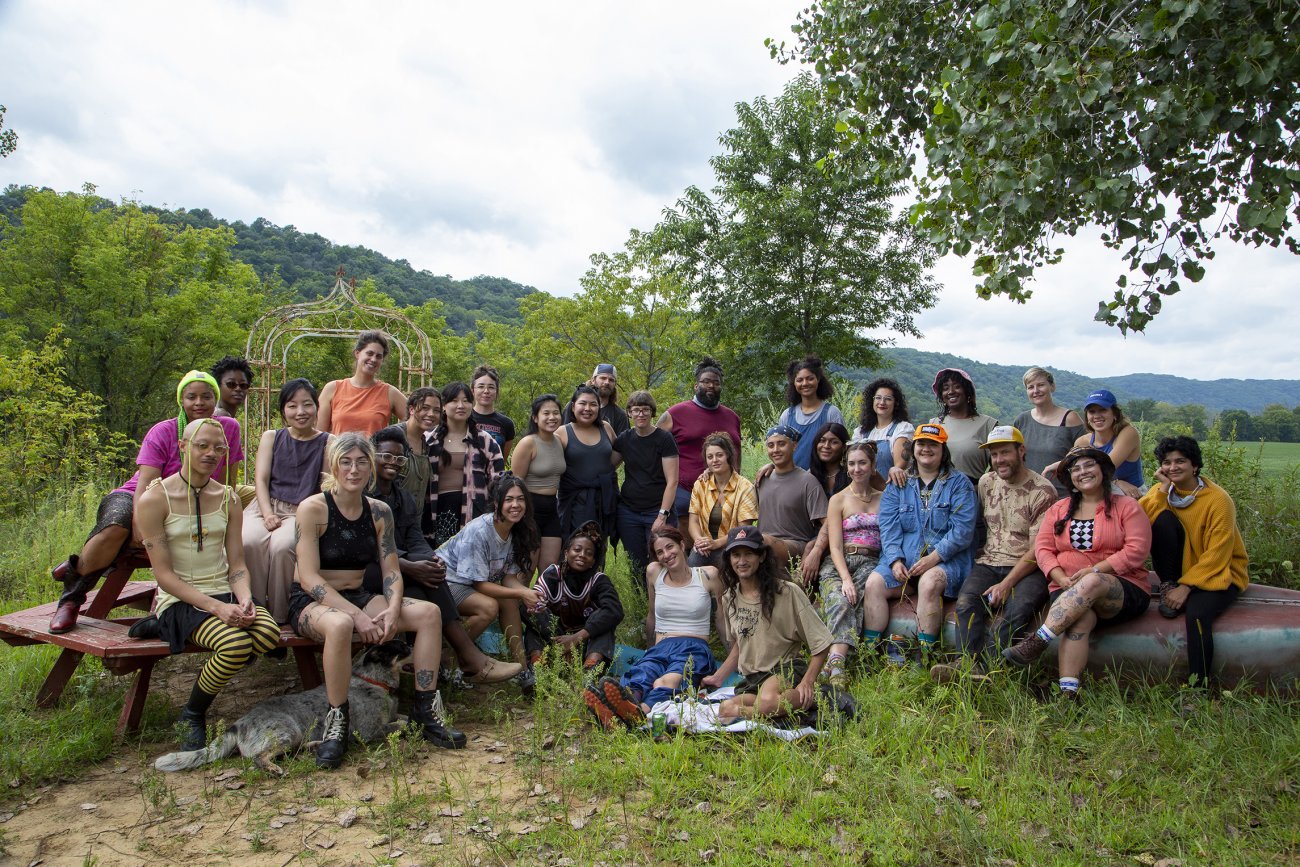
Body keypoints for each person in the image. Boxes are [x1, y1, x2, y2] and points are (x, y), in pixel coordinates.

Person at [291, 433, 465, 767]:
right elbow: (309, 576)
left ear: (370, 466)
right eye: (346, 461)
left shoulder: (379, 512)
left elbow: (391, 571)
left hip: (358, 594)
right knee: (341, 624)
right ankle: (336, 723)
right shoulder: (313, 508)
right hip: (313, 600)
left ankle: (426, 710)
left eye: (361, 462)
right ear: (334, 465)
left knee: (428, 614)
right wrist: (357, 616)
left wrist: (393, 607)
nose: (353, 470)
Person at [49, 371, 244, 634]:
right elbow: (145, 484)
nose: (199, 402)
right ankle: (71, 599)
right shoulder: (163, 431)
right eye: (191, 397)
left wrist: (223, 512)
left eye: (206, 396)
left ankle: (77, 564)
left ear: (215, 399)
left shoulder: (227, 428)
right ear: (181, 401)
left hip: (185, 502)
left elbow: (226, 477)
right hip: (138, 495)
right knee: (118, 529)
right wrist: (139, 524)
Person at [140, 418, 279, 750]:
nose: (211, 453)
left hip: (225, 592)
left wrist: (244, 597)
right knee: (235, 646)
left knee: (269, 634)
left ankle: (226, 651)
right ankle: (192, 713)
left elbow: (237, 564)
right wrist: (218, 608)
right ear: (183, 446)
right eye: (202, 445)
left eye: (219, 448)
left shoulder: (229, 498)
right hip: (180, 600)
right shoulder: (154, 499)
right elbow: (164, 576)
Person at [364, 427, 521, 685]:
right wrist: (408, 565)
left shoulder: (403, 497)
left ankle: (446, 662)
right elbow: (369, 547)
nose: (393, 463)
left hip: (397, 566)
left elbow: (415, 536)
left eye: (400, 459)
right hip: (370, 571)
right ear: (373, 456)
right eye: (387, 457)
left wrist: (430, 559)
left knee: (433, 576)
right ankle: (468, 660)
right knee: (424, 583)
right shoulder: (365, 497)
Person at [1003, 447, 1153, 701]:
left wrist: (1096, 570)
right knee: (1080, 620)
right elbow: (1043, 548)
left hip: (1121, 588)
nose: (1083, 472)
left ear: (1103, 471)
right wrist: (1059, 576)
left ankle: (1038, 641)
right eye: (1076, 469)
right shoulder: (1059, 509)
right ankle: (1069, 694)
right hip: (1068, 587)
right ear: (1070, 478)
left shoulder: (1127, 506)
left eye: (1088, 465)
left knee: (1093, 581)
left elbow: (1136, 550)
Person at [930, 426, 1057, 683]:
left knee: (1017, 610)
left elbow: (1038, 549)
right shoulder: (986, 483)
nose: (999, 460)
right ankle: (965, 661)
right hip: (990, 561)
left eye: (1004, 453)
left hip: (1029, 566)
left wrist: (1006, 584)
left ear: (1021, 451)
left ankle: (987, 669)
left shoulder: (1042, 491)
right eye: (994, 454)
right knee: (966, 603)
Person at [582, 528, 726, 729]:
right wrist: (649, 652)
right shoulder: (654, 572)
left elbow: (721, 619)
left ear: (682, 545)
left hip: (694, 648)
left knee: (667, 682)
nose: (666, 555)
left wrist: (732, 658)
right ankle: (623, 708)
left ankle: (637, 712)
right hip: (661, 646)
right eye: (660, 552)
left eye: (670, 547)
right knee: (640, 676)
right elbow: (652, 617)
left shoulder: (707, 575)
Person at [1140, 436, 1249, 689]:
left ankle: (1198, 688)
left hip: (1220, 571)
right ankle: (1167, 583)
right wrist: (1162, 489)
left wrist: (1187, 587)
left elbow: (1218, 554)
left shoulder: (1218, 500)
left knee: (1197, 614)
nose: (1173, 467)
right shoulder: (1165, 493)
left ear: (1195, 465)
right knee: (1163, 520)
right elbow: (1140, 519)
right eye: (1166, 463)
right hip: (1180, 571)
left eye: (1181, 461)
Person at [865, 423, 977, 661]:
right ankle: (869, 652)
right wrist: (895, 560)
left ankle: (924, 655)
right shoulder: (898, 484)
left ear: (943, 449)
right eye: (921, 444)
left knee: (929, 582)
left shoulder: (960, 484)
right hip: (904, 560)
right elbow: (889, 526)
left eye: (933, 445)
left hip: (945, 562)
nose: (926, 449)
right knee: (874, 583)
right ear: (913, 448)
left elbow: (962, 531)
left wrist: (933, 559)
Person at [701, 527, 834, 723]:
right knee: (725, 708)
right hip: (753, 679)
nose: (742, 561)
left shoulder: (788, 592)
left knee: (767, 701)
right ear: (729, 559)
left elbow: (821, 643)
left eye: (749, 554)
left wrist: (807, 682)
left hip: (785, 669)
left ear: (762, 556)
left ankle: (817, 696)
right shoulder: (730, 597)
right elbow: (741, 643)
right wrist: (718, 677)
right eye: (736, 555)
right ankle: (767, 709)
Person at [436, 475, 541, 680]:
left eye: (520, 499)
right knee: (488, 607)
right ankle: (448, 657)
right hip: (445, 582)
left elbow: (509, 577)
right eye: (509, 499)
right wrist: (521, 592)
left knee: (509, 601)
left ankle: (521, 668)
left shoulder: (515, 530)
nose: (515, 505)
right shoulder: (480, 530)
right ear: (497, 502)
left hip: (468, 584)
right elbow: (480, 585)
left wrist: (526, 592)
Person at [243, 378, 329, 623]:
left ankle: (278, 618)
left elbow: (325, 488)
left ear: (316, 407)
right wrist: (268, 512)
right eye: (292, 405)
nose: (300, 412)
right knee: (248, 542)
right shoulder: (272, 437)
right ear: (283, 410)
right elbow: (260, 479)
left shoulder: (327, 442)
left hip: (302, 511)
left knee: (282, 547)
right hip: (264, 505)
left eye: (307, 405)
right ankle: (254, 612)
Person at [816, 440, 883, 686]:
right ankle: (838, 665)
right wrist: (845, 578)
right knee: (840, 598)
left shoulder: (884, 499)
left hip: (871, 560)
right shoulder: (838, 500)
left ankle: (834, 664)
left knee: (857, 600)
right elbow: (834, 546)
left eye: (862, 463)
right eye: (852, 463)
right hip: (840, 561)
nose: (857, 469)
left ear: (873, 466)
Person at [523, 522, 624, 674]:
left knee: (604, 620)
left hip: (586, 642)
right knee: (531, 607)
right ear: (566, 553)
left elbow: (615, 610)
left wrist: (577, 638)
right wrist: (562, 643)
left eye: (589, 553)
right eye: (577, 549)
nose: (582, 555)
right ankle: (538, 667)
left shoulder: (599, 580)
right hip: (553, 639)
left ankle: (591, 670)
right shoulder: (552, 574)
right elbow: (533, 603)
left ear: (593, 562)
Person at [659, 357, 742, 537]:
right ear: (696, 386)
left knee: (722, 544)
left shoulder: (732, 417)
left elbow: (737, 452)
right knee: (686, 546)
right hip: (684, 492)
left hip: (724, 494)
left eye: (716, 382)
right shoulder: (675, 414)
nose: (711, 386)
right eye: (706, 382)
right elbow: (654, 447)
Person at [424, 381, 506, 547]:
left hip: (474, 513)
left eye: (466, 400)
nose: (461, 405)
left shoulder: (485, 441)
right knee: (437, 564)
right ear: (444, 406)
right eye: (454, 400)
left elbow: (498, 483)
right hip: (434, 510)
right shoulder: (428, 440)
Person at [612, 390, 679, 592]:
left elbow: (673, 481)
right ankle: (642, 603)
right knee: (636, 561)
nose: (641, 414)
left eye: (645, 410)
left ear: (652, 413)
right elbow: (607, 466)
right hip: (629, 511)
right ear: (629, 413)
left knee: (661, 557)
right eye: (636, 410)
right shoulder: (624, 439)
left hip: (656, 510)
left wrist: (662, 515)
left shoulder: (664, 439)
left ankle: (666, 600)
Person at [754, 425, 828, 586]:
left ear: (794, 446)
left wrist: (815, 550)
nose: (775, 449)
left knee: (761, 541)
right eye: (771, 445)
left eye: (781, 444)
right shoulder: (762, 479)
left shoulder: (808, 481)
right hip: (763, 543)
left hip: (795, 545)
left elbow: (828, 522)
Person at [555, 384, 619, 556]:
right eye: (583, 403)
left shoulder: (605, 428)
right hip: (573, 501)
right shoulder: (562, 432)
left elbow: (617, 455)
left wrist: (604, 477)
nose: (587, 408)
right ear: (573, 405)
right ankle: (567, 582)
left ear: (599, 407)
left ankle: (595, 581)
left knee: (598, 546)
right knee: (573, 546)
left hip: (602, 499)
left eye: (593, 404)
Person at [509, 394, 566, 577]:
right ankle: (517, 605)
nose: (552, 417)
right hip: (530, 508)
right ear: (535, 417)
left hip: (552, 508)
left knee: (550, 569)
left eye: (556, 413)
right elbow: (515, 482)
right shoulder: (528, 443)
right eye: (546, 413)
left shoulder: (559, 441)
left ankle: (541, 605)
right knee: (526, 568)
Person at [687, 432, 759, 567]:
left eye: (719, 455)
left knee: (725, 570)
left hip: (733, 546)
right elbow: (693, 522)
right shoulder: (701, 484)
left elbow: (744, 528)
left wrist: (716, 544)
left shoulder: (745, 487)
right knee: (694, 563)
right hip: (705, 547)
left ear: (728, 456)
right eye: (710, 457)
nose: (714, 460)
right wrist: (700, 541)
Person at [1011, 367, 1085, 497]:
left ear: (1052, 386)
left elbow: (1086, 455)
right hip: (1027, 496)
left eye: (1041, 385)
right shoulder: (1022, 420)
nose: (1036, 391)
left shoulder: (1070, 418)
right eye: (1030, 387)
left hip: (1062, 497)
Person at [317, 331, 407, 436]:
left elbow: (415, 418)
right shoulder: (332, 389)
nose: (373, 359)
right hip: (339, 452)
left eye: (378, 356)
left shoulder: (389, 393)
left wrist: (395, 438)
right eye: (369, 353)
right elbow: (319, 435)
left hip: (372, 452)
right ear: (357, 353)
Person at [1065, 389, 1145, 497]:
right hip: (1099, 492)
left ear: (1115, 414)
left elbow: (1106, 467)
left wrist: (1115, 483)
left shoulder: (1128, 433)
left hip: (1132, 495)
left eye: (1103, 410)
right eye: (1092, 412)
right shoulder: (1083, 441)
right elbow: (1075, 472)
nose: (1097, 416)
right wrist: (1117, 482)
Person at [929, 368, 999, 484]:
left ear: (967, 390)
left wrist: (984, 488)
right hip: (937, 494)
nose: (951, 391)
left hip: (974, 493)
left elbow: (999, 464)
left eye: (957, 386)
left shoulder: (988, 424)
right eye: (945, 388)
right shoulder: (934, 424)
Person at [777, 356, 845, 470]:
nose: (805, 383)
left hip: (823, 481)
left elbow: (841, 449)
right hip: (792, 480)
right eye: (799, 380)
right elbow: (780, 449)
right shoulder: (787, 415)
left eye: (810, 378)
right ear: (794, 383)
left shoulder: (831, 413)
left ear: (818, 379)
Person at [853, 378, 915, 486]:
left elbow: (899, 467)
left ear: (896, 403)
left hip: (892, 491)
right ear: (872, 401)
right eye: (878, 398)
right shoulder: (861, 432)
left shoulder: (903, 428)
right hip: (863, 492)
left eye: (888, 399)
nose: (882, 402)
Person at [386, 385, 440, 508]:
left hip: (414, 521)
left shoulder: (425, 444)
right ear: (411, 409)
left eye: (436, 410)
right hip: (388, 518)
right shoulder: (391, 437)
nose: (431, 414)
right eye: (425, 408)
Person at [563, 363, 629, 435]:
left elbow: (622, 444)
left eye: (611, 380)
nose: (607, 382)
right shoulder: (574, 407)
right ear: (593, 380)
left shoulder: (620, 415)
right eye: (603, 378)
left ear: (615, 384)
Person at [470, 364, 516, 456]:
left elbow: (503, 458)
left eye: (491, 387)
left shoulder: (507, 424)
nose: (486, 391)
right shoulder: (463, 419)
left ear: (497, 391)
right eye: (481, 386)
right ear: (472, 391)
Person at [808, 422, 852, 497]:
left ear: (844, 447)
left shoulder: (852, 474)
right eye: (822, 441)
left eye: (834, 442)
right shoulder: (810, 475)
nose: (826, 446)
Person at [211, 355, 253, 420]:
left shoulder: (227, 417)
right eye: (231, 384)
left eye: (243, 385)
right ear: (218, 385)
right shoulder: (219, 418)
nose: (238, 389)